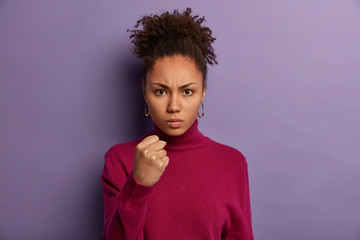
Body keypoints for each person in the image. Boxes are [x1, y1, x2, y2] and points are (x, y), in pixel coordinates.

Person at [101, 7, 254, 240]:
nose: (174, 106)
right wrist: (138, 184)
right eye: (161, 91)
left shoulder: (233, 163)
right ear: (144, 92)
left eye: (187, 91)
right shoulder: (120, 160)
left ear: (202, 93)